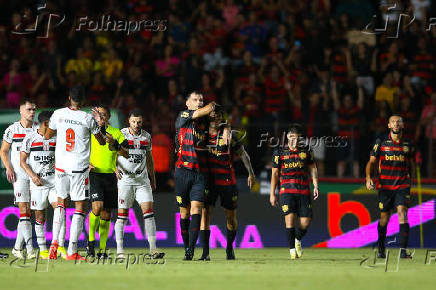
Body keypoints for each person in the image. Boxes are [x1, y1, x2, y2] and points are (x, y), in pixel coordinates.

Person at [45, 85, 106, 260]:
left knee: (61, 203)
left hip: (61, 166)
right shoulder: (87, 118)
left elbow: (48, 135)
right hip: (79, 167)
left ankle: (54, 244)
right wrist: (100, 124)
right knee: (79, 206)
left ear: (69, 98)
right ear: (84, 100)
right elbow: (101, 142)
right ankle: (72, 250)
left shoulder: (58, 114)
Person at [199, 108, 256, 260]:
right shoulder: (202, 137)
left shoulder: (228, 136)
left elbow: (243, 153)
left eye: (219, 117)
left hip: (227, 182)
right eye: (214, 117)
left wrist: (251, 173)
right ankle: (205, 253)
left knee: (230, 217)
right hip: (209, 183)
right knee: (205, 216)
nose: (217, 120)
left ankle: (229, 248)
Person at [115, 109, 165, 259]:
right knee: (122, 215)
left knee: (149, 213)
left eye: (139, 122)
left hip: (142, 180)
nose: (136, 125)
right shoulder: (121, 134)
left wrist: (153, 178)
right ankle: (119, 250)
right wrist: (113, 169)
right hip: (125, 180)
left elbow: (149, 158)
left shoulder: (146, 137)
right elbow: (111, 153)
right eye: (134, 122)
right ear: (128, 121)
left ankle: (153, 249)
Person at [365, 115, 415, 259]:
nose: (396, 124)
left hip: (402, 185)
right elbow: (372, 162)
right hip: (385, 187)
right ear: (388, 125)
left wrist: (410, 179)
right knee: (384, 219)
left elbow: (411, 162)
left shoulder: (408, 144)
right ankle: (381, 248)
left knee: (402, 214)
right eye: (393, 122)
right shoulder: (381, 142)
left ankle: (403, 251)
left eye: (399, 121)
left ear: (403, 125)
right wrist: (368, 178)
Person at [20, 111, 66, 259]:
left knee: (61, 211)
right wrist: (33, 176)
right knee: (40, 216)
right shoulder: (30, 138)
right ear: (46, 123)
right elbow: (22, 161)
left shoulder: (57, 138)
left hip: (55, 183)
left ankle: (60, 247)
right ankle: (43, 249)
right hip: (38, 185)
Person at [175, 92, 215, 260]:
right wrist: (211, 106)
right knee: (184, 213)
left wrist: (224, 127)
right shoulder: (183, 116)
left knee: (196, 208)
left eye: (201, 100)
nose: (199, 102)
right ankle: (186, 247)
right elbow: (205, 110)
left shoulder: (205, 124)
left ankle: (190, 250)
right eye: (195, 100)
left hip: (199, 173)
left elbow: (219, 125)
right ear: (187, 103)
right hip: (182, 171)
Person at [269, 124, 319, 259]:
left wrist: (315, 185)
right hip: (286, 190)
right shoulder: (279, 152)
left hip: (303, 189)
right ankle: (292, 251)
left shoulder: (306, 150)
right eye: (291, 137)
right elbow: (274, 174)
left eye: (296, 138)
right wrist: (272, 194)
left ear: (300, 138)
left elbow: (313, 168)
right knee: (289, 220)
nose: (293, 140)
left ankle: (297, 239)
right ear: (287, 136)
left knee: (305, 222)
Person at [87, 105, 129, 259]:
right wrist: (86, 163)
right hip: (95, 174)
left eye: (103, 114)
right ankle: (91, 243)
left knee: (106, 214)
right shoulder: (89, 131)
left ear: (108, 117)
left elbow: (127, 153)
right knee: (97, 208)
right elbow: (79, 149)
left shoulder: (116, 133)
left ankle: (102, 250)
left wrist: (115, 145)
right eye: (98, 114)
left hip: (110, 176)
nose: (100, 117)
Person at [0, 98, 38, 259]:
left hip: (36, 176)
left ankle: (17, 247)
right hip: (20, 175)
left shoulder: (39, 130)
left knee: (31, 213)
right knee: (24, 210)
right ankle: (30, 250)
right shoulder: (12, 130)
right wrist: (8, 167)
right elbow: (3, 151)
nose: (32, 112)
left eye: (34, 109)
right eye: (29, 109)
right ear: (21, 111)